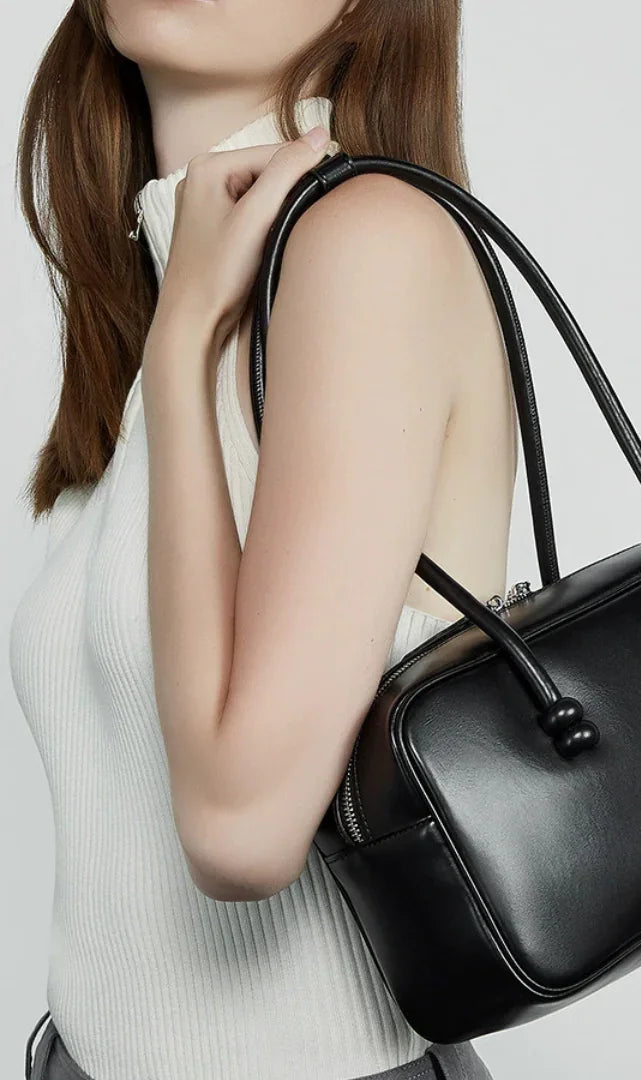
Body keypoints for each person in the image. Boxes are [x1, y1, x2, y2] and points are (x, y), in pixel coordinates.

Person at [12, 1, 514, 1077]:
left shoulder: (366, 245)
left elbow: (243, 833)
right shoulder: (185, 283)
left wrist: (184, 344)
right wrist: (180, 325)